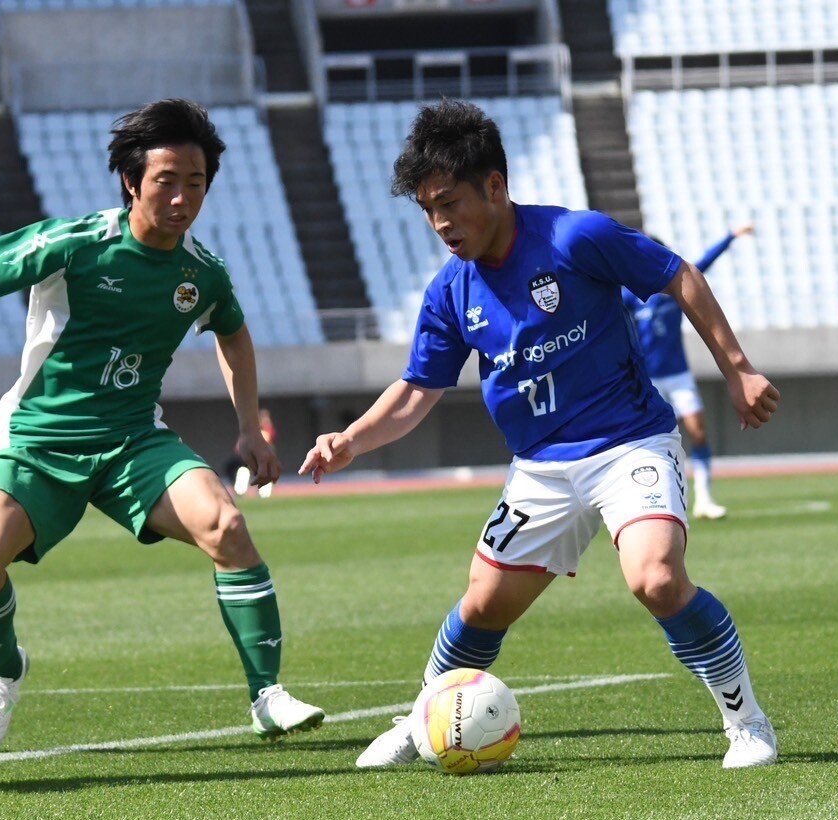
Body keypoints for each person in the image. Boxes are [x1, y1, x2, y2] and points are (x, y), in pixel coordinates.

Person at [298, 100, 782, 769]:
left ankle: (748, 723)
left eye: (448, 202)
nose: (439, 222)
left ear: (495, 186)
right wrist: (352, 438)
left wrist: (738, 370)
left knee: (656, 577)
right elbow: (416, 390)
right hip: (539, 469)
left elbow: (678, 275)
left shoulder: (574, 238)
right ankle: (422, 720)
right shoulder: (449, 291)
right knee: (482, 605)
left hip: (628, 444)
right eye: (426, 209)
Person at [0, 98, 325, 754]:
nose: (181, 198)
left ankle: (267, 696)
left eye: (195, 184)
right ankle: (4, 669)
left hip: (134, 442)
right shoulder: (78, 243)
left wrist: (249, 425)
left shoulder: (201, 271)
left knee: (225, 524)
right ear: (132, 182)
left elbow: (234, 333)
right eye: (166, 181)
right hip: (38, 442)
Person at [622, 225, 754, 520]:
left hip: (678, 374)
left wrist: (731, 236)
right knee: (648, 443)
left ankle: (705, 500)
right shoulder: (630, 297)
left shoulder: (674, 290)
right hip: (648, 381)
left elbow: (701, 265)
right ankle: (653, 503)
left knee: (698, 432)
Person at [227, 407, 277, 498]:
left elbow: (268, 443)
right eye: (264, 419)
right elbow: (238, 447)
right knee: (242, 470)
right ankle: (240, 491)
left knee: (265, 472)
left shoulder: (267, 431)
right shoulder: (250, 431)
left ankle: (263, 492)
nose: (267, 421)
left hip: (263, 461)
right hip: (248, 460)